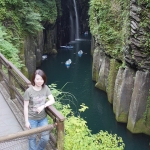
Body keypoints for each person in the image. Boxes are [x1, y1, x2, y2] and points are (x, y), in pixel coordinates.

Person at [23, 69, 55, 150]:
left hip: (42, 118)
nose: (39, 81)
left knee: (45, 138)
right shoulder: (28, 91)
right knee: (32, 137)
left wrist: (43, 106)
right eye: (37, 79)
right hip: (31, 118)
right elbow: (25, 106)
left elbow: (52, 100)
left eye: (41, 79)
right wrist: (26, 121)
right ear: (34, 79)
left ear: (44, 79)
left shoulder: (45, 88)